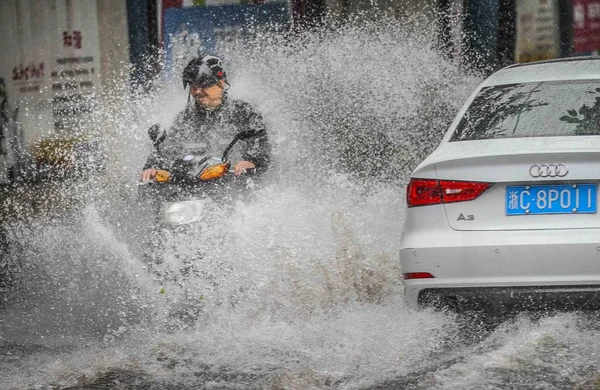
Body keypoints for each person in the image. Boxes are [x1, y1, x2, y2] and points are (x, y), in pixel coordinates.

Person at [140, 55, 271, 181]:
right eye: (193, 86)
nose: (197, 91)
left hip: (237, 188)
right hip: (193, 191)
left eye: (204, 85)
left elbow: (260, 145)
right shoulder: (185, 119)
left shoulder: (244, 112)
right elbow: (169, 149)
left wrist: (252, 162)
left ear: (221, 83)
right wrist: (152, 167)